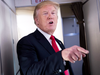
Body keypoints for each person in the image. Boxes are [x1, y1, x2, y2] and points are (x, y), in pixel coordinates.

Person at [17, 1, 89, 75]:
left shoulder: (59, 42)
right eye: (45, 13)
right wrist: (61, 56)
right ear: (37, 20)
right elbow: (30, 72)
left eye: (53, 13)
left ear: (57, 19)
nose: (50, 16)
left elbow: (62, 67)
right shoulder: (26, 42)